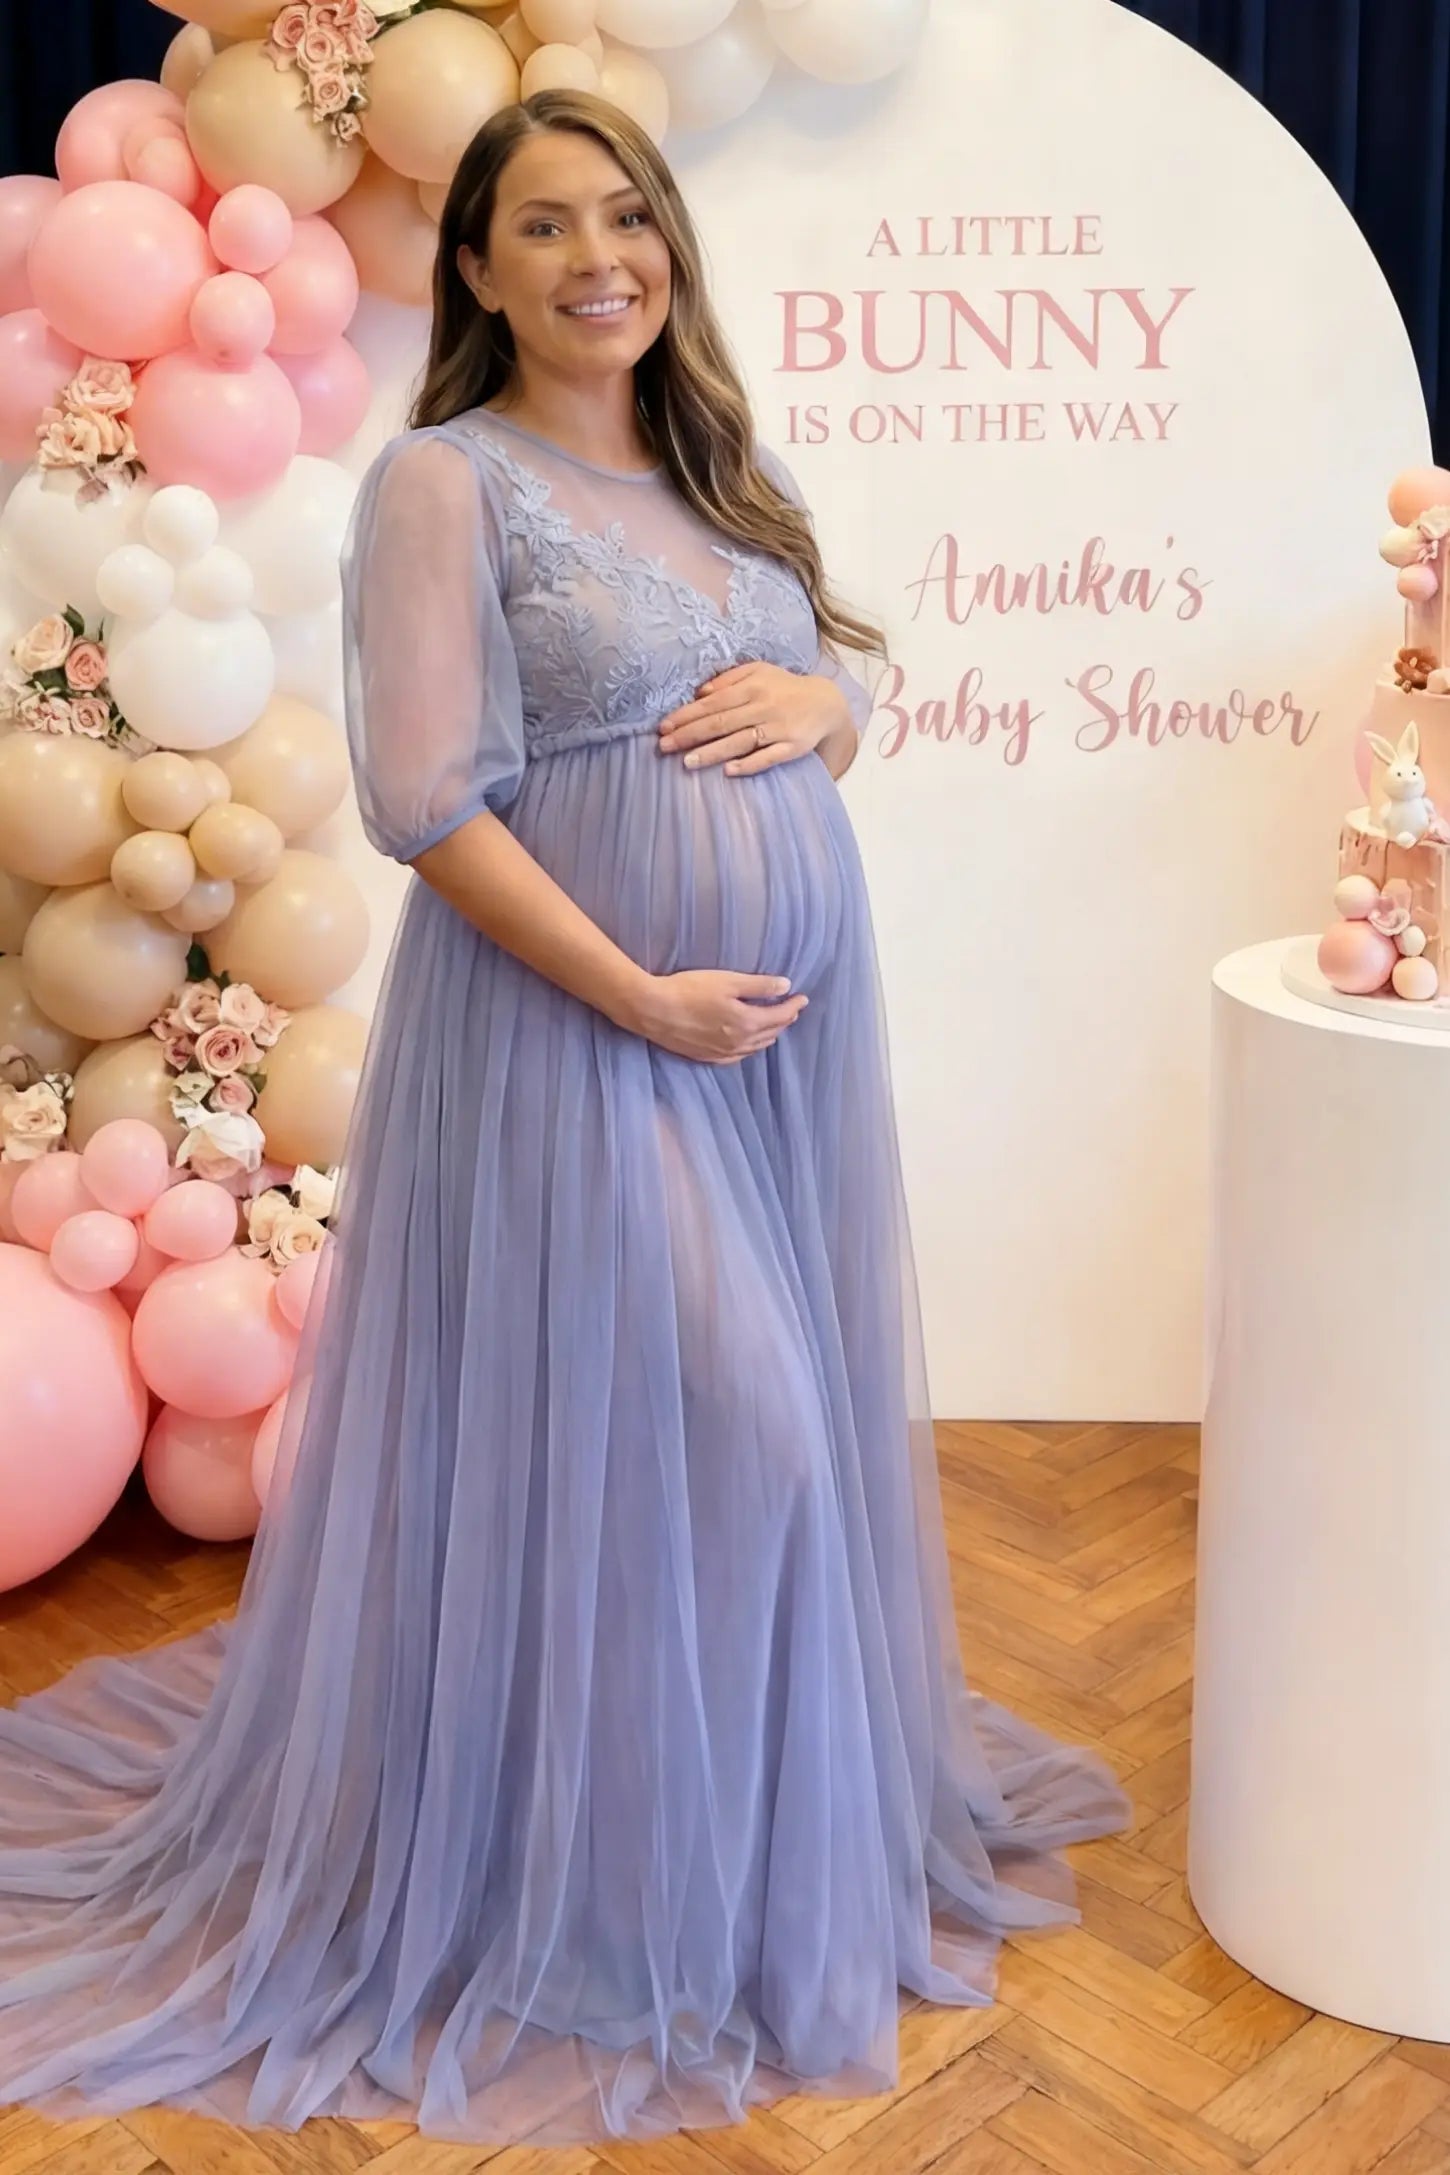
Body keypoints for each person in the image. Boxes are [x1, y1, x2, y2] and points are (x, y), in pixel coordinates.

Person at [0, 90, 1126, 2145]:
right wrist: (640, 993)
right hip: (575, 1034)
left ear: (665, 243)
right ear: (485, 266)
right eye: (545, 223)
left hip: (760, 1042)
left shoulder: (722, 470)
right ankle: (575, 1900)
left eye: (627, 214)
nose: (599, 252)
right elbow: (432, 803)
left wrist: (837, 709)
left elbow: (806, 681)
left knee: (704, 1450)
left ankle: (699, 1872)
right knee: (741, 1419)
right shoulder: (446, 481)